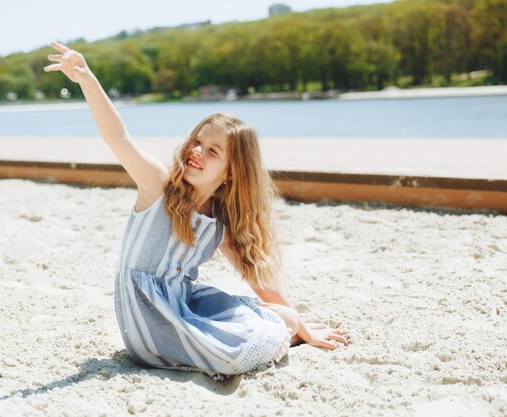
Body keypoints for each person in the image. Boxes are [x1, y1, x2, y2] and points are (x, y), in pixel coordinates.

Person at [44, 41, 348, 381]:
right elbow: (118, 136)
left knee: (288, 318)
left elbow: (256, 278)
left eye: (213, 151)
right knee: (245, 348)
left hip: (188, 306)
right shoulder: (157, 185)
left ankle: (280, 334)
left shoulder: (219, 220)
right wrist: (86, 78)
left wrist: (301, 325)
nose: (197, 151)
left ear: (232, 172)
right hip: (148, 320)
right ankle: (268, 339)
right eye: (197, 141)